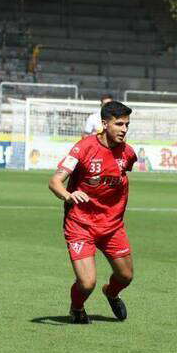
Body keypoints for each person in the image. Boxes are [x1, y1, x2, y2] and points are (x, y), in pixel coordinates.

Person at [48, 101, 137, 324]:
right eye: (119, 124)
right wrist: (68, 196)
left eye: (127, 124)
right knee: (87, 283)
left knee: (126, 276)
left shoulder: (128, 153)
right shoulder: (83, 148)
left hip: (112, 225)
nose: (124, 129)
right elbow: (55, 182)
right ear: (105, 124)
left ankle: (112, 293)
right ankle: (77, 308)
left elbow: (121, 175)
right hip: (81, 223)